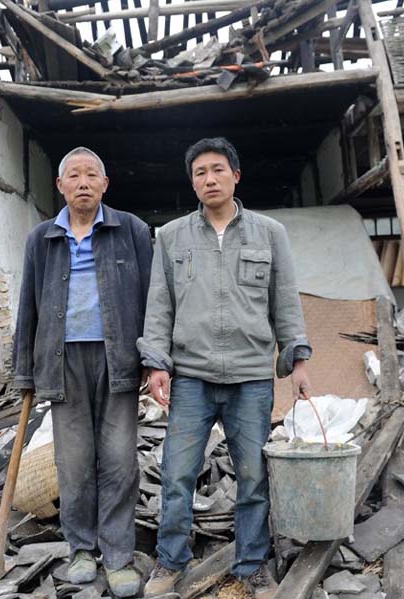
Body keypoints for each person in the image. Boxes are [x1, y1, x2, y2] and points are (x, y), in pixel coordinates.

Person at [138, 137, 312, 599]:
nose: (208, 179)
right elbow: (159, 306)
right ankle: (170, 561)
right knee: (177, 473)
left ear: (236, 175)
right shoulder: (171, 236)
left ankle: (252, 565)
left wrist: (298, 360)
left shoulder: (269, 233)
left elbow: (286, 301)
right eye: (199, 173)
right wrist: (157, 363)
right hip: (191, 376)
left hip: (251, 375)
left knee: (253, 475)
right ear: (192, 182)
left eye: (217, 169)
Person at [12, 147, 153, 597]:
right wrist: (24, 373)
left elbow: (153, 298)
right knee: (73, 463)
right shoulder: (41, 238)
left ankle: (118, 556)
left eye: (92, 174)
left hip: (120, 359)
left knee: (117, 459)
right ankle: (81, 550)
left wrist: (156, 359)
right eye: (74, 175)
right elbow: (28, 307)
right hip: (62, 360)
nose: (84, 182)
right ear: (61, 186)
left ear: (105, 184)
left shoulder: (130, 229)